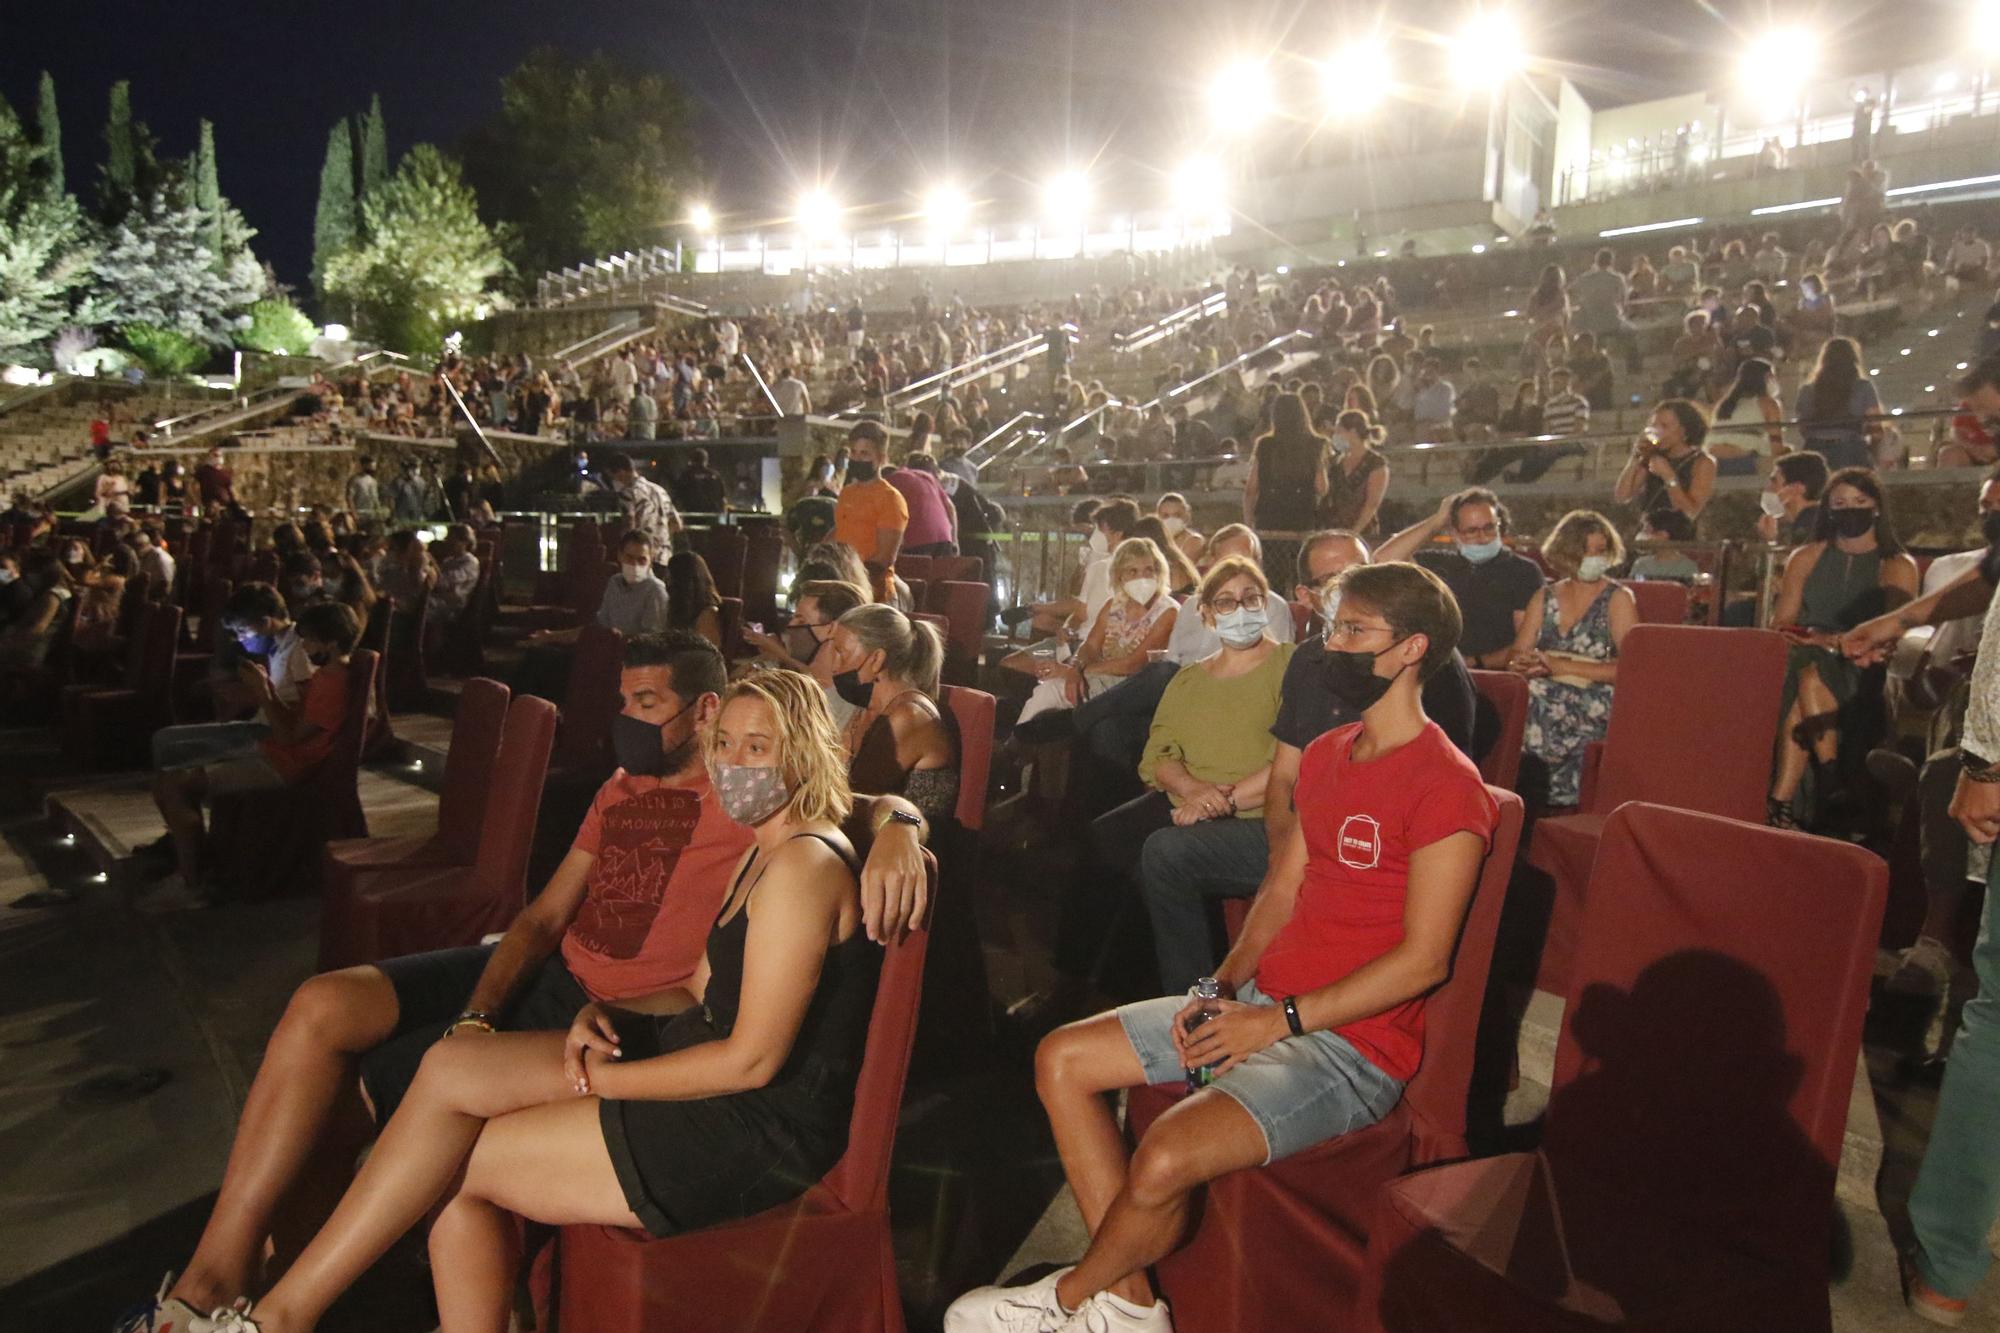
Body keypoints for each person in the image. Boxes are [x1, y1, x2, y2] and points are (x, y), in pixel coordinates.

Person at [129, 661, 931, 1333]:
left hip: (753, 1127)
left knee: (456, 1162)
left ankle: (276, 1320)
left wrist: (595, 1078)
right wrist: (611, 1016)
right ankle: (268, 1307)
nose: (734, 764)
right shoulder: (764, 848)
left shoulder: (800, 866)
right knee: (452, 1072)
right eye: (726, 745)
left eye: (759, 747)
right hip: (703, 1065)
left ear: (805, 752)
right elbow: (693, 985)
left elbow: (753, 1061)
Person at [946, 562, 1498, 1333]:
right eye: (1333, 626)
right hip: (1266, 1000)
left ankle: (1067, 1302)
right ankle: (1132, 1303)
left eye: (1352, 631)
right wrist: (1222, 984)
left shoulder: (1448, 784)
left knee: (1166, 1151)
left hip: (1350, 1046)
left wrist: (1276, 1023)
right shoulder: (1334, 750)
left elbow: (1424, 959)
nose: (1330, 645)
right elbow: (1280, 888)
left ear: (1412, 649)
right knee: (1062, 1058)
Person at [1137, 534, 1479, 993]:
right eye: (1334, 580)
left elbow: (1433, 788)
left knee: (1164, 849)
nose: (1354, 585)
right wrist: (1283, 853)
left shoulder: (1432, 672)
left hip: (1376, 845)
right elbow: (1284, 777)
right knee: (1135, 842)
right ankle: (1192, 998)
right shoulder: (1311, 662)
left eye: (1359, 571)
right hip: (1296, 832)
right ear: (1307, 594)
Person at [1027, 557, 1297, 1024]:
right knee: (1103, 839)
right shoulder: (1190, 677)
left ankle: (1191, 1008)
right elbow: (1158, 753)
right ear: (1209, 615)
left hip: (1256, 810)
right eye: (1228, 602)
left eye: (1251, 599)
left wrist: (1223, 800)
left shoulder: (1291, 666)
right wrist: (1194, 791)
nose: (1241, 610)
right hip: (1190, 800)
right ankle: (1075, 981)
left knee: (1161, 852)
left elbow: (1294, 760)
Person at [144, 601, 362, 912]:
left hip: (288, 765)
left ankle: (191, 883)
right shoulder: (327, 675)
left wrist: (262, 691)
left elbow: (290, 736)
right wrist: (269, 692)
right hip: (280, 754)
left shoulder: (333, 681)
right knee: (167, 779)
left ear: (330, 642)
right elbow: (293, 723)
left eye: (310, 640)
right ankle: (194, 863)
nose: (305, 646)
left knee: (174, 785)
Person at [1767, 467, 1919, 829]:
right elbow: (1782, 620)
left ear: (1876, 507)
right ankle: (1830, 782)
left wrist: (1835, 641)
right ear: (1828, 509)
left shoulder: (1895, 564)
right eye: (1840, 503)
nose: (1850, 510)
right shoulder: (1807, 557)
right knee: (1806, 665)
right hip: (1807, 650)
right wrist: (1810, 637)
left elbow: (1895, 627)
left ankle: (1781, 801)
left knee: (1807, 674)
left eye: (1859, 502)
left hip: (1863, 658)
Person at [1508, 511, 1637, 807]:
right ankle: (1526, 796)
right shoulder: (1545, 596)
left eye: (1600, 551)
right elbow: (1517, 654)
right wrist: (1525, 663)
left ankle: (1546, 797)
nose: (1594, 558)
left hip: (1596, 695)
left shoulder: (1618, 599)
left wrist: (1563, 666)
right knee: (1523, 697)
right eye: (1586, 551)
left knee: (1537, 700)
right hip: (1544, 686)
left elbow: (1631, 669)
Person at [1376, 487, 1546, 668]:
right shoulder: (1439, 564)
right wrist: (1436, 521)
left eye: (1489, 528)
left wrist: (1475, 662)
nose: (1482, 537)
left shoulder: (1523, 571)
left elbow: (1527, 642)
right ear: (1454, 533)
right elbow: (1383, 559)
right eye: (1471, 531)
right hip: (1440, 670)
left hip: (1498, 673)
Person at [827, 602, 959, 819]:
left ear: (877, 659)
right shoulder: (865, 710)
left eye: (841, 653)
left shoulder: (909, 715)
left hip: (902, 846)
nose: (834, 666)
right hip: (860, 835)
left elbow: (857, 795)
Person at [1031, 537, 1179, 713]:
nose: (1143, 578)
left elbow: (1132, 665)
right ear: (1120, 576)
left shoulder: (1168, 612)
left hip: (1135, 689)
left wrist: (1073, 671)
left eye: (1149, 570)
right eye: (1133, 571)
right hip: (1102, 680)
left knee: (1052, 690)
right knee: (1048, 689)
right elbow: (1091, 646)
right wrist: (1074, 667)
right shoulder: (1113, 605)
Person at [743, 578, 869, 729]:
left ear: (831, 629)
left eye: (801, 621)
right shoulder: (802, 688)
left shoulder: (843, 704)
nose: (791, 625)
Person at [1243, 392, 1329, 589]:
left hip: (1270, 519)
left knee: (1273, 581)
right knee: (1303, 578)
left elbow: (1251, 489)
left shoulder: (1265, 445)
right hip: (1302, 519)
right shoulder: (1315, 444)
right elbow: (1321, 488)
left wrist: (1249, 522)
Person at [1612, 399, 1717, 542]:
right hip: (1649, 537)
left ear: (1684, 430)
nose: (1658, 431)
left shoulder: (1703, 462)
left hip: (1679, 542)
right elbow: (1622, 496)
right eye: (1654, 425)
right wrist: (1634, 459)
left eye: (1664, 426)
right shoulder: (1652, 457)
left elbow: (1690, 512)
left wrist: (1669, 476)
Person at [832, 422, 909, 601]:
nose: (857, 459)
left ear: (881, 458)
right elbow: (839, 531)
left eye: (865, 453)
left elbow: (884, 558)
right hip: (842, 585)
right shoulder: (847, 493)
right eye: (854, 452)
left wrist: (852, 579)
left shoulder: (890, 498)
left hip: (875, 591)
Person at [1795, 336, 1883, 471]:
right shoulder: (1863, 387)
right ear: (1854, 359)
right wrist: (1871, 451)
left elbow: (1802, 426)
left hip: (1815, 449)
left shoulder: (1807, 390)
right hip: (1850, 448)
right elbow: (1876, 427)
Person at [1709, 357, 1787, 478]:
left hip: (1713, 460)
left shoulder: (1724, 404)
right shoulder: (1768, 404)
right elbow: (1776, 441)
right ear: (1766, 378)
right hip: (1744, 460)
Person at [1572, 247, 1641, 372]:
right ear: (1611, 262)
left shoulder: (1584, 278)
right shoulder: (1616, 278)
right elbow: (1623, 300)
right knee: (1632, 332)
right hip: (1612, 323)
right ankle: (1634, 369)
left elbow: (1574, 294)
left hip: (1590, 323)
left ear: (1596, 261)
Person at [1320, 409, 1389, 536]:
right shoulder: (1335, 462)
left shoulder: (1375, 463)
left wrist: (1354, 532)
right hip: (1334, 530)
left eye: (1339, 431)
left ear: (1352, 432)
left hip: (1363, 532)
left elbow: (1372, 504)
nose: (1336, 436)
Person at [605, 452, 680, 563]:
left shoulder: (627, 494)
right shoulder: (659, 490)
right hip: (665, 556)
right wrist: (659, 540)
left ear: (621, 472)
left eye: (613, 476)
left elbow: (629, 524)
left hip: (641, 558)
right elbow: (676, 524)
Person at [889, 450, 959, 558]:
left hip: (917, 539)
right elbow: (951, 508)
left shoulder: (896, 477)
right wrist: (954, 540)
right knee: (941, 574)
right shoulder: (930, 479)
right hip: (944, 538)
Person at [1758, 450, 1830, 547]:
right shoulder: (1815, 518)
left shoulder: (1809, 525)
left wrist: (1770, 541)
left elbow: (1795, 560)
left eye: (1774, 482)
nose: (1768, 489)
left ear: (1797, 488)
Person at [664, 550, 724, 648]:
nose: (666, 580)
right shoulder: (677, 609)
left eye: (670, 576)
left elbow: (708, 653)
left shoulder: (707, 613)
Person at [1155, 492, 1206, 566]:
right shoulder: (1154, 541)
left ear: (1187, 516)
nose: (1171, 520)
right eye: (1166, 516)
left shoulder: (1195, 541)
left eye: (1177, 515)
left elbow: (1182, 567)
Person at [675, 447, 728, 514]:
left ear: (692, 460)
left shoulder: (686, 475)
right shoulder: (715, 475)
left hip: (691, 516)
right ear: (706, 460)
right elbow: (722, 500)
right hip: (712, 516)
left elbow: (678, 498)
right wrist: (723, 519)